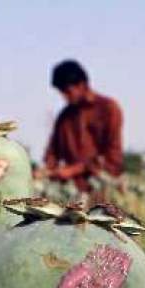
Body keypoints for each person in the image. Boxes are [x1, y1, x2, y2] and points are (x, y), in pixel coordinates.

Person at [43, 59, 123, 192]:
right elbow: (52, 154)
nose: (65, 97)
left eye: (67, 91)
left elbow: (113, 158)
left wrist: (74, 170)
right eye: (61, 92)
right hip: (72, 192)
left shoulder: (108, 108)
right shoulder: (64, 117)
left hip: (104, 188)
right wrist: (45, 171)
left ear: (82, 84)